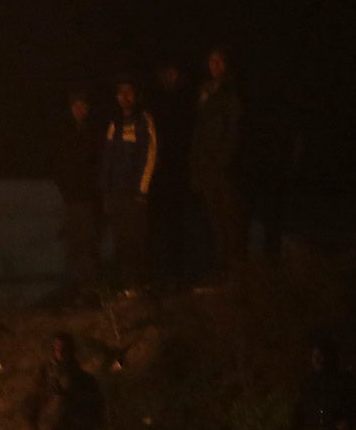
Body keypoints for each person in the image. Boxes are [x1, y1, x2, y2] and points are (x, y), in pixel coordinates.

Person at [190, 46, 247, 277]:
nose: (215, 66)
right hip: (207, 164)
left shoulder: (232, 89)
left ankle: (237, 269)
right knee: (215, 219)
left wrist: (225, 159)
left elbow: (234, 127)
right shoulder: (206, 90)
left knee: (230, 217)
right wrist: (196, 163)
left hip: (223, 165)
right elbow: (199, 128)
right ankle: (222, 266)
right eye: (212, 61)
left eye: (220, 61)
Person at [100, 78, 159, 290]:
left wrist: (142, 189)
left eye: (128, 92)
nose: (124, 97)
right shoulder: (115, 123)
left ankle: (142, 283)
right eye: (120, 93)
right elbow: (108, 157)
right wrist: (107, 189)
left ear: (135, 94)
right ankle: (127, 286)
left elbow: (150, 154)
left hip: (135, 192)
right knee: (121, 240)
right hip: (117, 192)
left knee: (138, 238)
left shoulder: (144, 120)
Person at [147, 59, 197, 280]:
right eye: (166, 71)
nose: (169, 75)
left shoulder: (186, 98)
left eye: (172, 71)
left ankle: (178, 272)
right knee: (161, 224)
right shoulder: (157, 99)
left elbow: (187, 133)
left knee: (177, 222)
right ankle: (163, 272)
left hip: (178, 169)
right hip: (161, 171)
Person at [56, 86, 103, 292]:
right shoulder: (65, 132)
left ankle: (91, 289)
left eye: (83, 105)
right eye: (76, 105)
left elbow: (98, 164)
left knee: (88, 244)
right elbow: (58, 163)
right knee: (73, 245)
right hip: (70, 198)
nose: (80, 109)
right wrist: (64, 188)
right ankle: (75, 288)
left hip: (88, 198)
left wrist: (94, 190)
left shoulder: (94, 132)